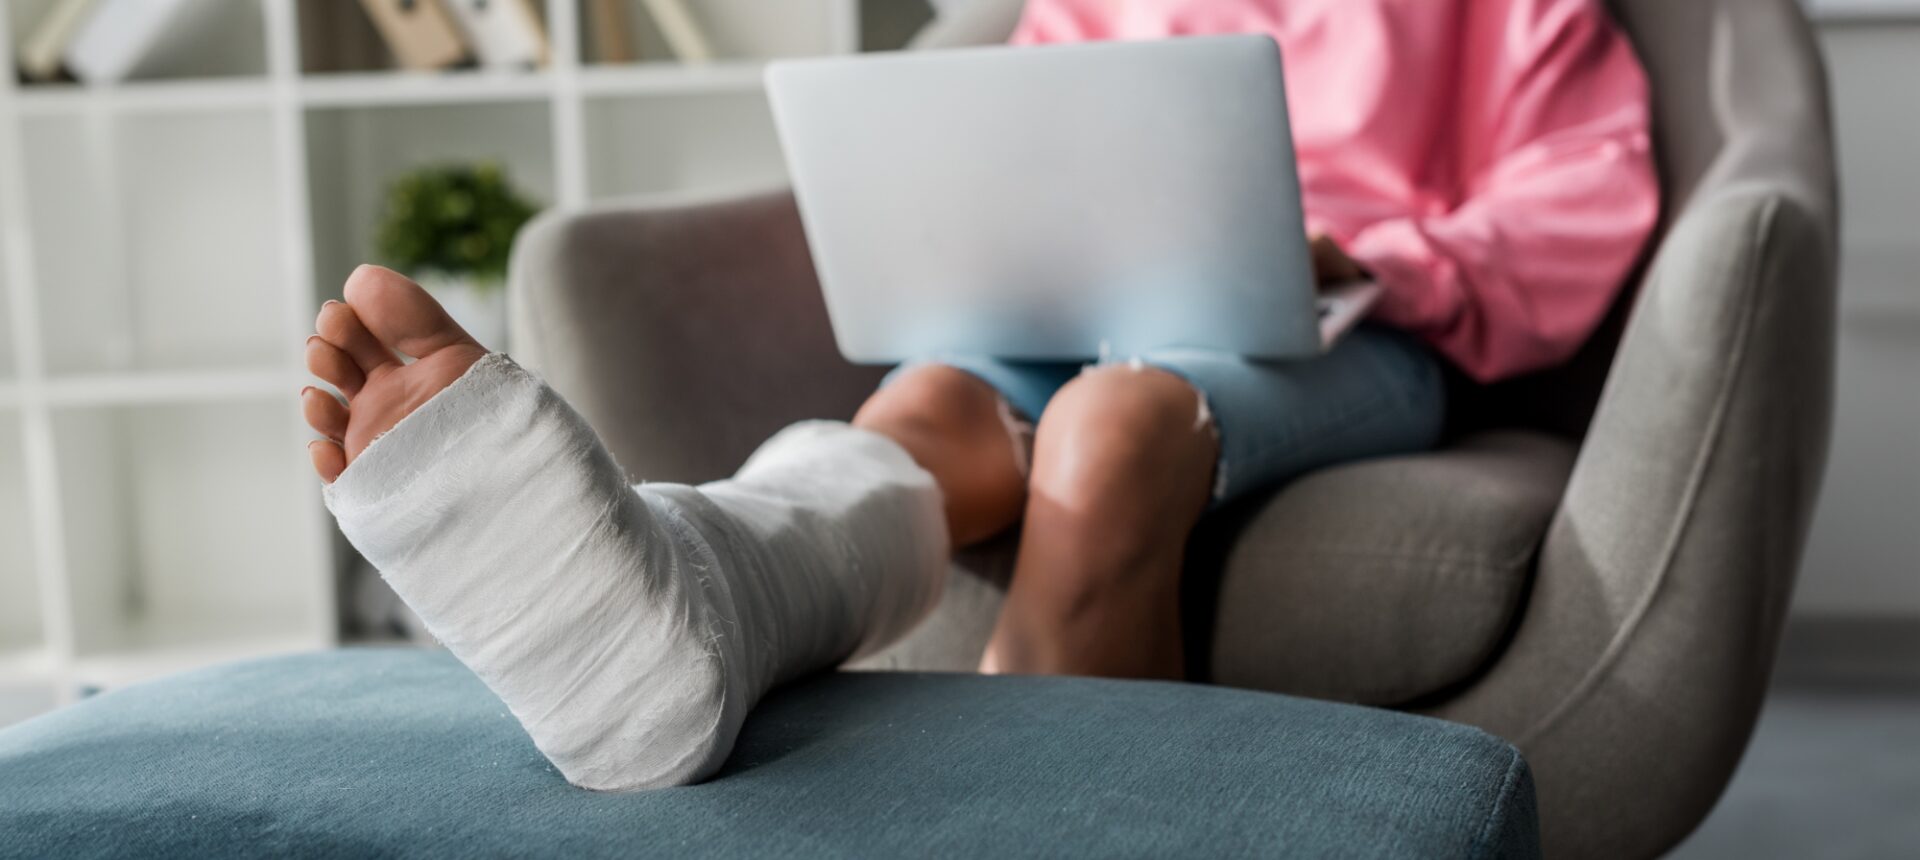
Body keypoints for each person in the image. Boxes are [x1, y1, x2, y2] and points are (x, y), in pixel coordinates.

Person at [301, 0, 1658, 792]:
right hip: (1073, 310)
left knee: (1113, 425)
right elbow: (1026, 134)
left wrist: (1363, 254)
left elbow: (1576, 204)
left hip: (1341, 332)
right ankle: (694, 605)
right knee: (916, 417)